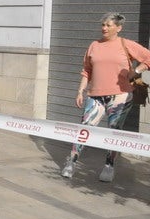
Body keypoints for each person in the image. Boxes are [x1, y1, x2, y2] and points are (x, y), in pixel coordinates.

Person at [61, 12, 150, 182]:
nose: (104, 28)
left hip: (120, 96)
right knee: (85, 128)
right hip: (95, 96)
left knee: (114, 131)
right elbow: (87, 71)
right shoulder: (94, 45)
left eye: (109, 25)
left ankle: (109, 166)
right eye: (103, 25)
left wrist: (136, 71)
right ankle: (71, 162)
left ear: (118, 28)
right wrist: (80, 91)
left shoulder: (126, 44)